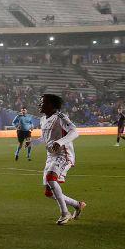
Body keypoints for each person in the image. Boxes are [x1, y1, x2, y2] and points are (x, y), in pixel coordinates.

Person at [38, 94, 86, 225]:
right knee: (49, 193)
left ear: (51, 105)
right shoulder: (42, 119)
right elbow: (44, 138)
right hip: (50, 157)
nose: (39, 104)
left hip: (63, 155)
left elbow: (75, 132)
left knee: (51, 178)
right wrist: (31, 143)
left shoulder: (60, 117)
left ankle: (65, 214)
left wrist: (60, 142)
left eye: (42, 102)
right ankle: (77, 205)